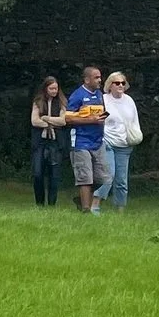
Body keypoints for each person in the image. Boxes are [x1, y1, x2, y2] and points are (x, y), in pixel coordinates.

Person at [64, 65, 108, 213]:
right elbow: (68, 118)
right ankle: (85, 209)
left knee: (102, 177)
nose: (100, 80)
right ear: (87, 79)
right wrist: (91, 120)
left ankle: (81, 197)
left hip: (97, 141)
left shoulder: (99, 95)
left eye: (100, 77)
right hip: (81, 141)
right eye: (96, 77)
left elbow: (98, 114)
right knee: (85, 177)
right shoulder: (78, 95)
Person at [99, 71, 141, 212]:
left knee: (122, 180)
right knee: (109, 175)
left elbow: (134, 121)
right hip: (107, 142)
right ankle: (95, 202)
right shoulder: (103, 99)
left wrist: (134, 136)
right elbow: (98, 120)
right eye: (117, 83)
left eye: (123, 83)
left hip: (125, 144)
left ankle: (120, 209)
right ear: (110, 85)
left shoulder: (129, 100)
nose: (121, 85)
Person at [29, 76, 68, 207]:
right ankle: (39, 203)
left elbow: (63, 121)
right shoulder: (38, 102)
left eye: (56, 88)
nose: (54, 91)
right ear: (45, 89)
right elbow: (34, 121)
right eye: (51, 88)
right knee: (38, 173)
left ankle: (52, 204)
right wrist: (49, 124)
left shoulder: (62, 102)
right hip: (40, 142)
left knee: (54, 175)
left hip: (56, 142)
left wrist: (45, 118)